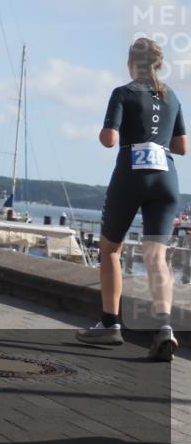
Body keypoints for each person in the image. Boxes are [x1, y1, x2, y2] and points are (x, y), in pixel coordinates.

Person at [76, 38, 186, 360]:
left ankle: (110, 324)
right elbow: (182, 147)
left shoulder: (122, 93)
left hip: (131, 175)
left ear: (131, 64)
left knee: (110, 248)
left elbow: (109, 139)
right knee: (156, 255)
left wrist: (108, 131)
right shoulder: (173, 97)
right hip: (166, 178)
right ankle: (164, 327)